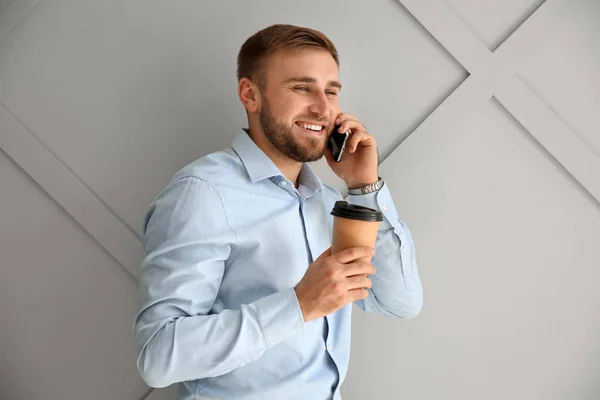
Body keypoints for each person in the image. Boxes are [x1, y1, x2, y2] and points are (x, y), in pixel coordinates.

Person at [133, 24, 423, 400]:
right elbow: (158, 357)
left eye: (331, 91)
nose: (322, 106)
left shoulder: (327, 202)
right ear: (250, 94)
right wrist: (299, 304)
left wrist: (364, 187)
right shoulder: (202, 194)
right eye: (302, 88)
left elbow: (400, 302)